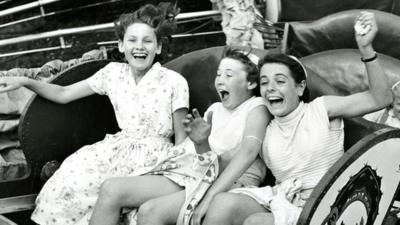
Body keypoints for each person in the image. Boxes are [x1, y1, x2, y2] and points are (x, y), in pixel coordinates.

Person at [0, 3, 190, 225]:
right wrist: (25, 81)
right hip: (117, 149)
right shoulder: (113, 74)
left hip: (156, 156)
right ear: (121, 45)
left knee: (118, 200)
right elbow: (64, 93)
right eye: (132, 40)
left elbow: (182, 139)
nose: (140, 47)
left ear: (158, 48)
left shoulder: (173, 81)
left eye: (148, 41)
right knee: (68, 180)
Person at [198, 11, 392, 225]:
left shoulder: (320, 109)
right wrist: (202, 144)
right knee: (222, 204)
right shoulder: (266, 128)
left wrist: (366, 49)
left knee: (256, 222)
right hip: (285, 201)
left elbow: (380, 98)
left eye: (279, 81)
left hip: (329, 204)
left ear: (299, 87)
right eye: (264, 82)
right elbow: (230, 159)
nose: (270, 88)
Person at [88, 48, 271, 225]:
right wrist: (201, 143)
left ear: (251, 83)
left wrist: (209, 197)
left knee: (150, 211)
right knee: (111, 188)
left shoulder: (256, 107)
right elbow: (206, 158)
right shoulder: (215, 110)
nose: (220, 80)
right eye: (218, 74)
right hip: (194, 172)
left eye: (228, 75)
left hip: (229, 181)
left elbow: (244, 154)